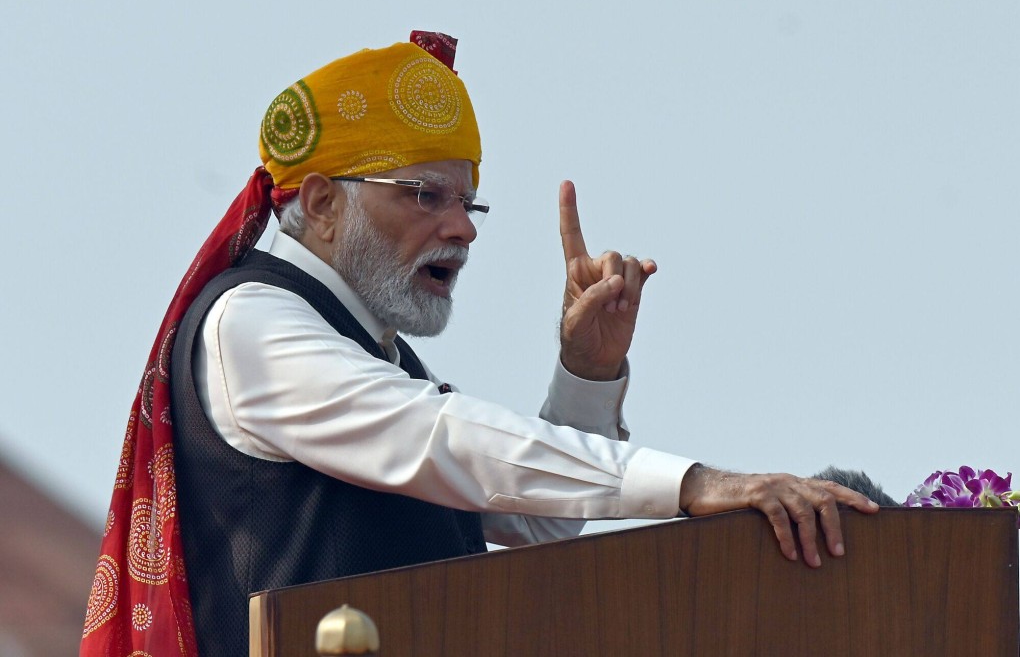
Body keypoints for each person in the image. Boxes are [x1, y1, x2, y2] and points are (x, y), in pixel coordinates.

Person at [81, 32, 878, 657]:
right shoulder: (252, 323)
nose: (462, 228)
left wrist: (587, 372)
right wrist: (696, 484)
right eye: (426, 195)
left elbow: (530, 518)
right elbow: (442, 440)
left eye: (469, 203)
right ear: (321, 203)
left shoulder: (379, 355)